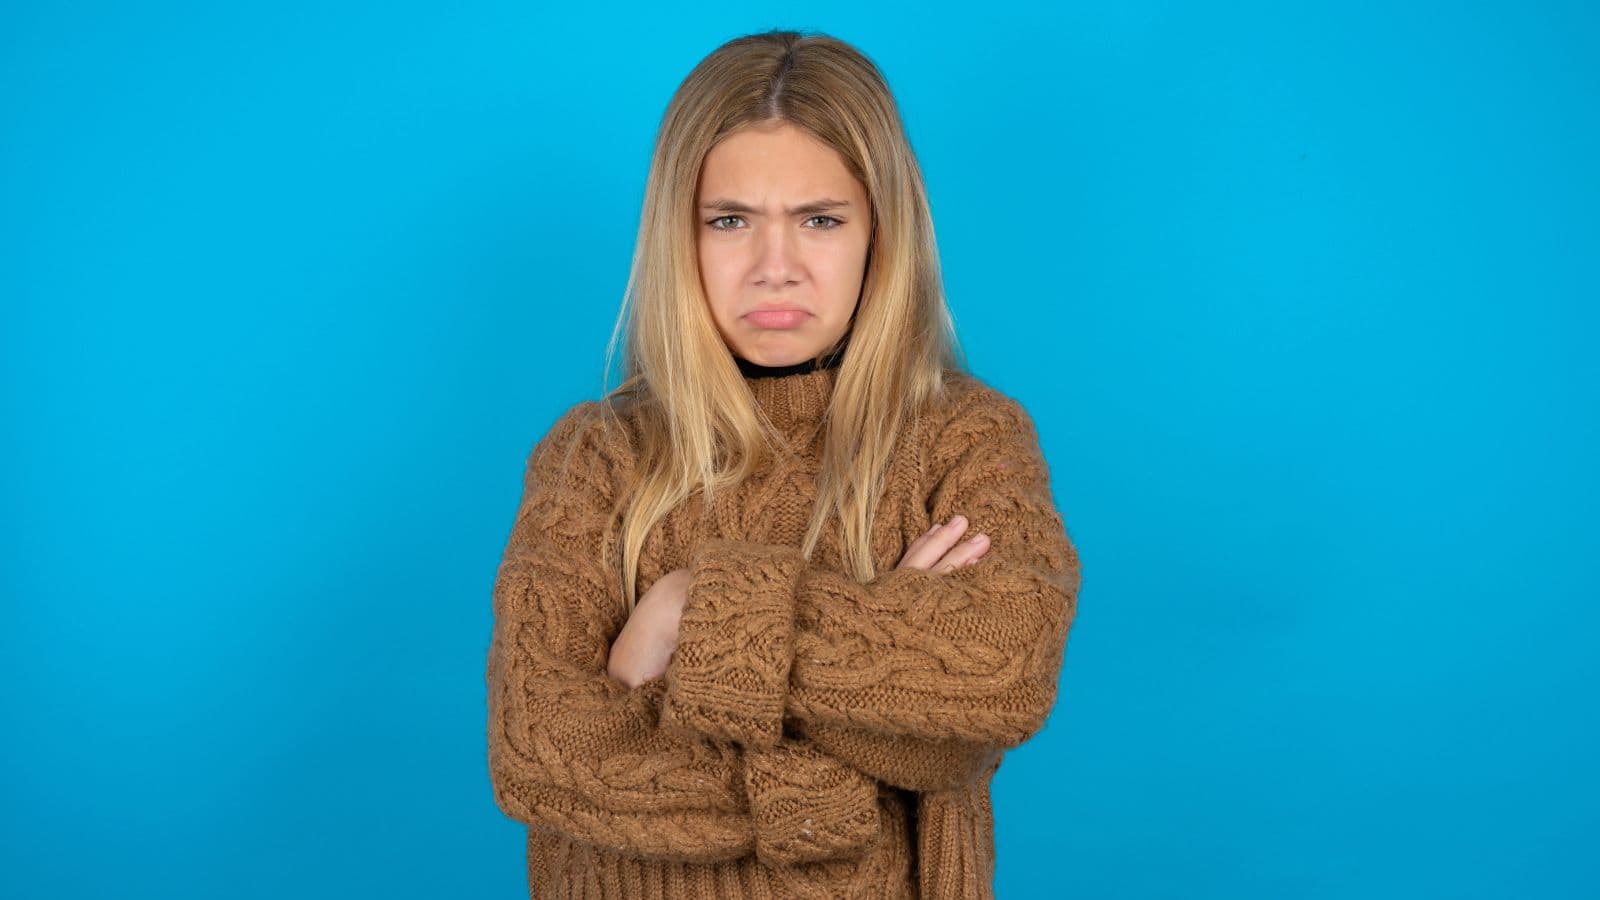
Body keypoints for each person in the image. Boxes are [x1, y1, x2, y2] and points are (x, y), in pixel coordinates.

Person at [485, 28, 1081, 899]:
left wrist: (683, 612)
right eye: (730, 221)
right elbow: (541, 754)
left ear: (881, 232)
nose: (776, 269)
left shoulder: (965, 439)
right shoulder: (595, 457)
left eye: (820, 220)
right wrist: (863, 736)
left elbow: (1000, 675)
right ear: (679, 236)